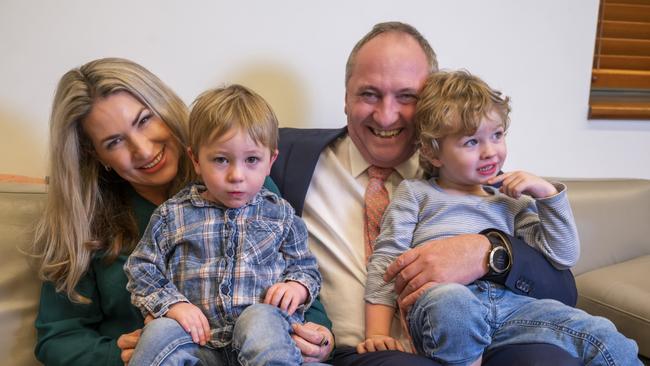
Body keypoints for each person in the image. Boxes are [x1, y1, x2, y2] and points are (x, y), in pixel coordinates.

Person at [270, 22, 582, 365]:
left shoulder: (466, 172)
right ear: (346, 98)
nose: (386, 116)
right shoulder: (284, 157)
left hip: (485, 338)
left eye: (407, 97)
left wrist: (488, 252)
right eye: (369, 94)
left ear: (432, 105)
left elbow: (564, 291)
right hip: (360, 352)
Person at [29, 58, 333, 366]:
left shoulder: (244, 182)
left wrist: (320, 339)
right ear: (96, 154)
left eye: (144, 120)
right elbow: (56, 338)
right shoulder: (86, 218)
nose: (144, 150)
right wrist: (115, 355)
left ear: (164, 109)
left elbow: (298, 271)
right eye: (115, 141)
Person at [360, 70, 641, 365]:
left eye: (496, 135)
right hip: (443, 303)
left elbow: (562, 256)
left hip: (513, 308)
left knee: (605, 335)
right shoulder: (416, 194)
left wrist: (547, 195)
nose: (490, 152)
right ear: (433, 152)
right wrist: (377, 333)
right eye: (471, 142)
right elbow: (387, 260)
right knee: (455, 306)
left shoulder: (512, 201)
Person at [124, 84, 322, 365]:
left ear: (270, 161)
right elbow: (141, 267)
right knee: (159, 331)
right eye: (220, 160)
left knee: (260, 317)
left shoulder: (281, 214)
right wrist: (173, 305)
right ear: (196, 159)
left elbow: (306, 268)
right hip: (197, 340)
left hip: (262, 338)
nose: (236, 175)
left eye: (252, 159)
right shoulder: (173, 215)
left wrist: (296, 286)